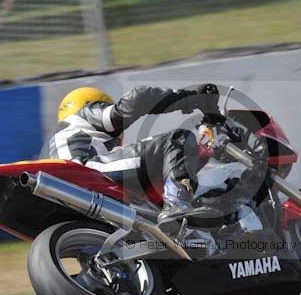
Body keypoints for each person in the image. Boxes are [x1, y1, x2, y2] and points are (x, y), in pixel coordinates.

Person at [40, 84, 223, 230]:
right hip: (89, 171)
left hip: (80, 196)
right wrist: (192, 99)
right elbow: (138, 98)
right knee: (178, 139)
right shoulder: (85, 114)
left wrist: (198, 154)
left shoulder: (66, 140)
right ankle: (177, 205)